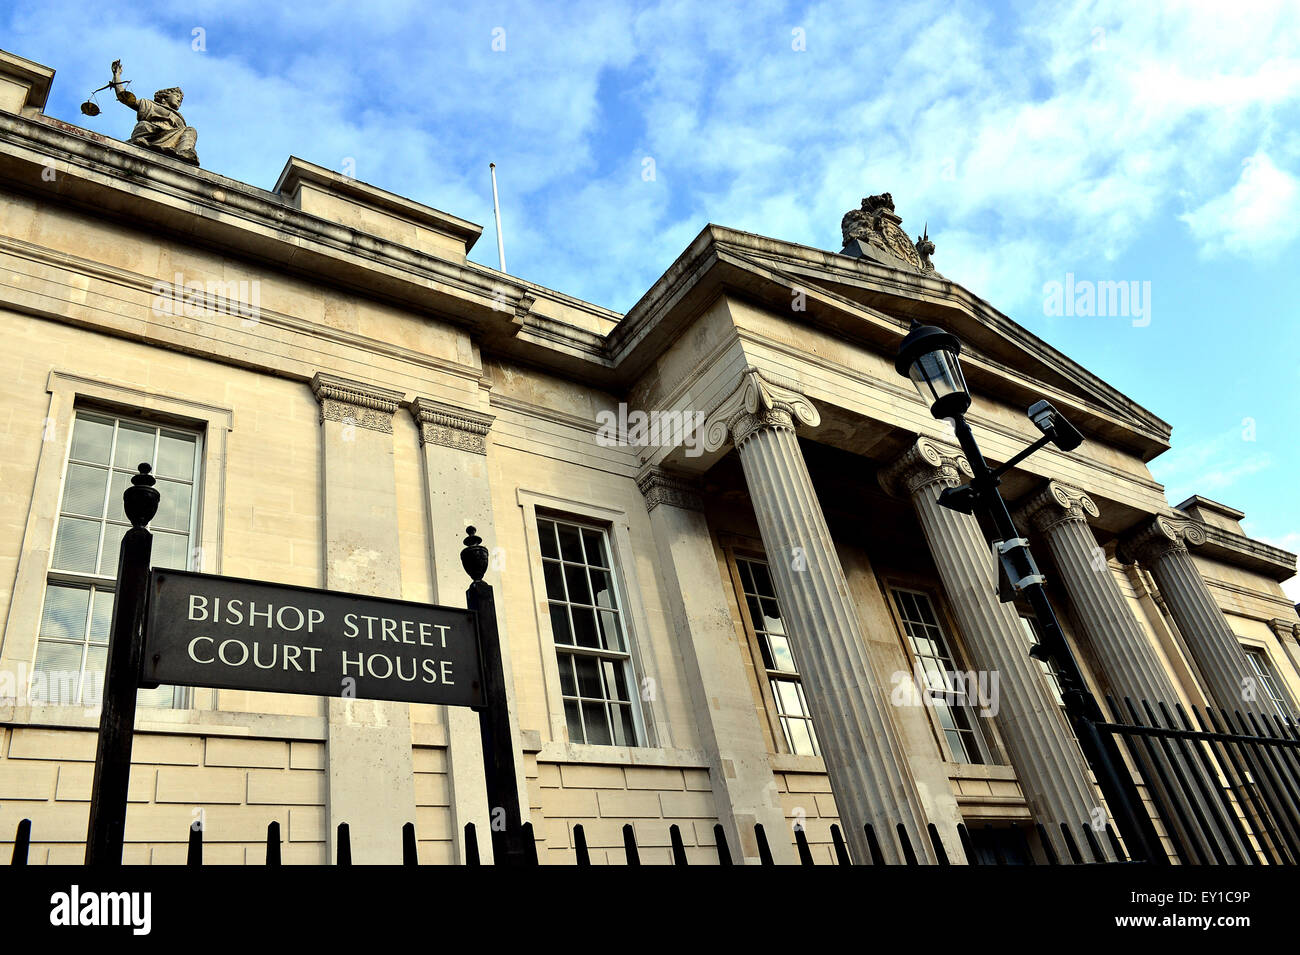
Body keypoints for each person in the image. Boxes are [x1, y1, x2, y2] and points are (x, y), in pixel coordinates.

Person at [110, 59, 199, 166]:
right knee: (145, 125)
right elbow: (124, 97)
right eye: (176, 96)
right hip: (151, 134)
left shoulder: (179, 118)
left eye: (181, 99)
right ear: (164, 97)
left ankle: (184, 153)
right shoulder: (149, 104)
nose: (179, 100)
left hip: (171, 136)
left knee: (190, 130)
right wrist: (117, 76)